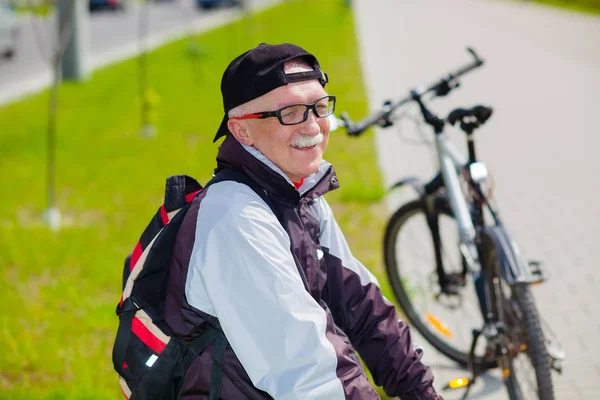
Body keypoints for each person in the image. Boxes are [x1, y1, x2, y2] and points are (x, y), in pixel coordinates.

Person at [164, 42, 442, 400]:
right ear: (242, 131)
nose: (313, 125)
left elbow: (362, 308)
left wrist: (422, 393)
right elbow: (311, 376)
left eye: (319, 106)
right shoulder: (235, 220)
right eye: (290, 113)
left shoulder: (296, 191)